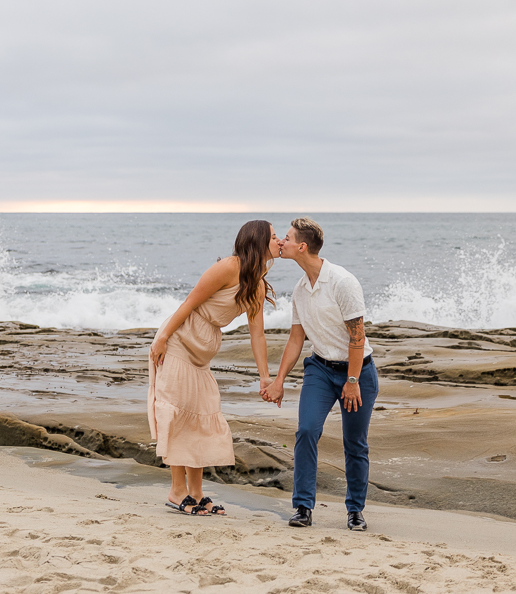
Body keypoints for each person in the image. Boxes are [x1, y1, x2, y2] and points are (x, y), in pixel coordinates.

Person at [148, 220, 279, 516]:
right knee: (180, 414)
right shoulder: (228, 267)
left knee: (201, 416)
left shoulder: (256, 284)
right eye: (274, 236)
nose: (280, 240)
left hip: (201, 354)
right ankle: (176, 491)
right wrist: (164, 338)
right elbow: (189, 302)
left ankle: (196, 492)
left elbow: (257, 333)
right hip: (179, 341)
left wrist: (265, 377)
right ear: (258, 241)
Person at [262, 217, 378, 531]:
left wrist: (352, 381)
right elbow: (296, 338)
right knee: (306, 431)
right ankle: (303, 508)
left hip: (359, 373)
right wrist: (279, 380)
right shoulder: (300, 289)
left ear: (302, 246)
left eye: (285, 238)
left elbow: (357, 337)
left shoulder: (343, 281)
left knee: (355, 444)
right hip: (321, 371)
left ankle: (355, 511)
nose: (281, 242)